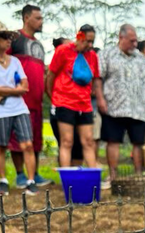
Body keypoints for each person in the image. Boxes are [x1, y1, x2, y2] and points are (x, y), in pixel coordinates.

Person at [94, 24, 145, 186]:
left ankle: (137, 175)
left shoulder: (142, 59)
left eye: (136, 41)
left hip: (139, 108)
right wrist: (100, 99)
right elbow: (98, 78)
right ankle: (113, 175)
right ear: (121, 38)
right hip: (114, 107)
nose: (135, 44)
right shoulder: (106, 54)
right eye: (132, 41)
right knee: (113, 141)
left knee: (138, 142)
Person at [0, 21, 37, 196]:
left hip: (19, 109)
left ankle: (31, 181)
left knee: (27, 144)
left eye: (10, 37)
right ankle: (3, 181)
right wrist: (13, 91)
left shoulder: (15, 61)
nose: (9, 40)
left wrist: (3, 92)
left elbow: (25, 88)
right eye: (5, 37)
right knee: (1, 146)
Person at [7, 5, 53, 188]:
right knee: (17, 138)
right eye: (38, 18)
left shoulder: (40, 45)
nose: (41, 21)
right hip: (17, 99)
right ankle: (20, 175)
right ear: (26, 18)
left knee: (35, 138)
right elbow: (1, 63)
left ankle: (35, 174)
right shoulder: (14, 39)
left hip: (37, 100)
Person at [46, 24, 99, 168]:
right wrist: (53, 97)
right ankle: (67, 180)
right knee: (67, 141)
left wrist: (93, 92)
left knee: (88, 141)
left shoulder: (92, 56)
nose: (90, 45)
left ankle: (93, 177)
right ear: (79, 37)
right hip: (64, 102)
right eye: (87, 41)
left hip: (84, 104)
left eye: (92, 42)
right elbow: (51, 75)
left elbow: (95, 78)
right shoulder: (63, 51)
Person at [48, 37, 83, 166]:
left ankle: (77, 175)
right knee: (66, 141)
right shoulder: (55, 66)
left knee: (78, 144)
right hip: (61, 108)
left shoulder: (77, 63)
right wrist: (56, 101)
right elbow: (49, 82)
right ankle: (67, 177)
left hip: (78, 108)